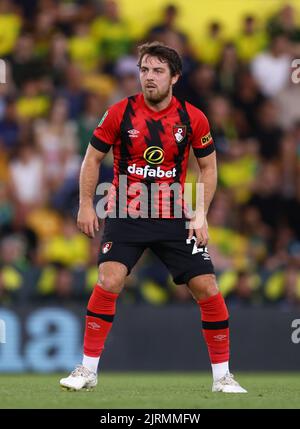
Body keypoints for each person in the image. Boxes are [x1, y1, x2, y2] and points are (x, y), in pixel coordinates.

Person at [60, 42, 247, 394]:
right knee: (109, 277)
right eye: (144, 70)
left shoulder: (194, 118)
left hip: (174, 213)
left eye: (158, 71)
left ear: (175, 77)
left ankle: (222, 376)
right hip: (126, 212)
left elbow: (208, 168)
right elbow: (91, 159)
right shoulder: (119, 113)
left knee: (207, 286)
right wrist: (86, 204)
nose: (149, 77)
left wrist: (201, 214)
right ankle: (87, 370)